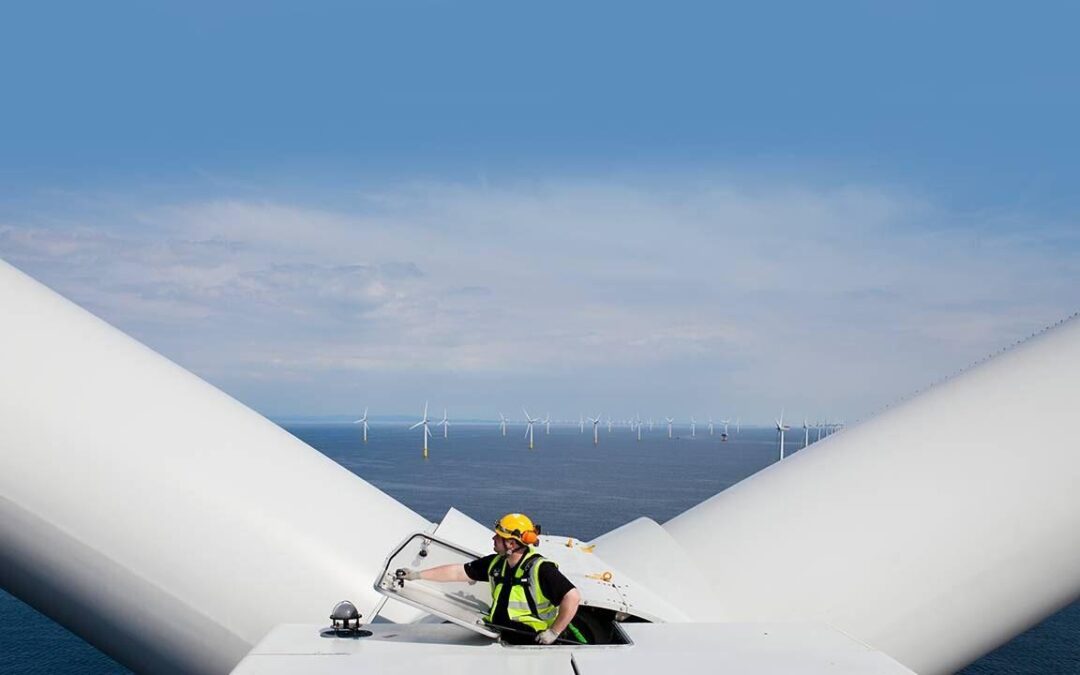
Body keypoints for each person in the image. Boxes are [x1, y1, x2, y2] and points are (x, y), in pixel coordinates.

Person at [395, 513, 581, 645]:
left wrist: (553, 632)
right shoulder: (497, 563)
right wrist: (416, 575)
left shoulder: (540, 569)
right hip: (501, 636)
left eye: (498, 536)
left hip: (531, 641)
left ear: (511, 543)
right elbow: (458, 572)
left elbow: (572, 597)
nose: (493, 538)